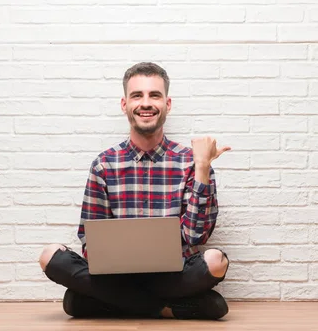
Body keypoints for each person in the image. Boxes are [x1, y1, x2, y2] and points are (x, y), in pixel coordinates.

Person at [38, 62, 231, 320]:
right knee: (49, 256)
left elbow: (196, 237)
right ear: (124, 104)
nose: (146, 103)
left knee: (216, 261)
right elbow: (88, 238)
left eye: (154, 95)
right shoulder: (104, 164)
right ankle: (162, 308)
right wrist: (115, 259)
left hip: (172, 276)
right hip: (115, 276)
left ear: (167, 104)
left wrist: (203, 166)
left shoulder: (192, 162)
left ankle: (109, 302)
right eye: (137, 95)